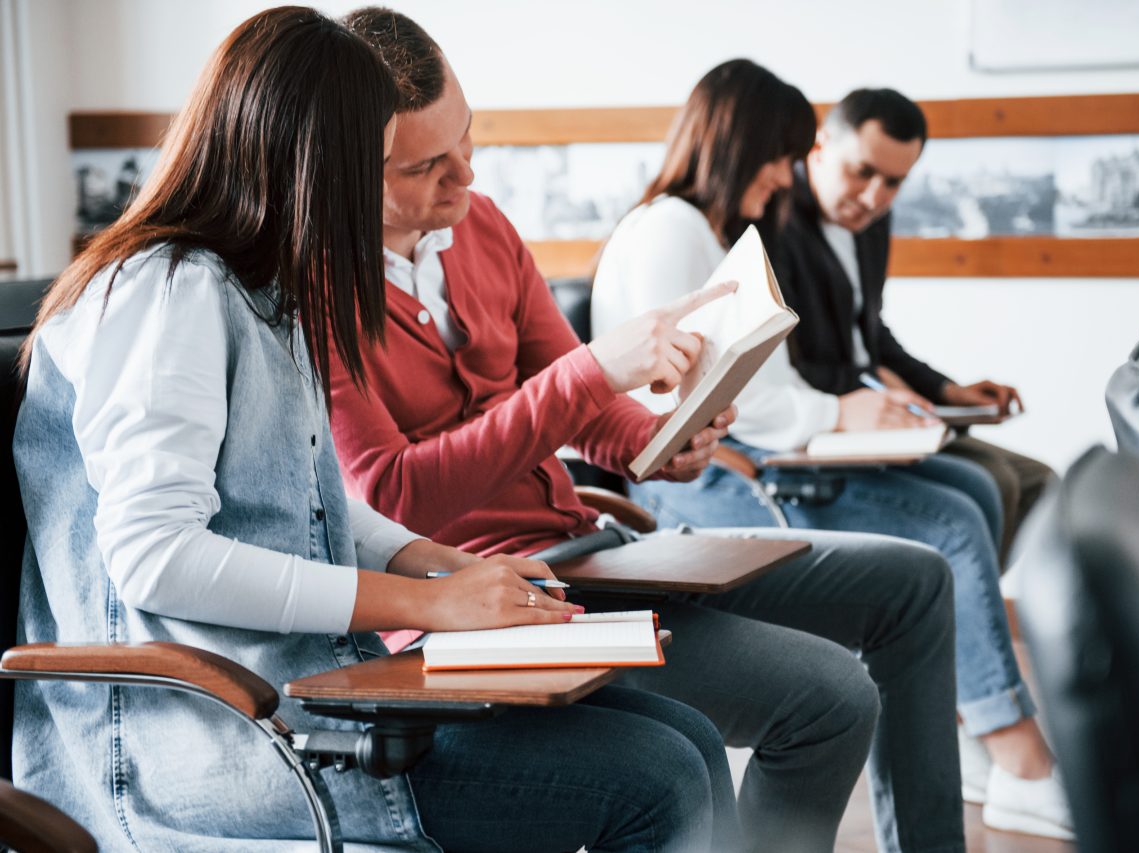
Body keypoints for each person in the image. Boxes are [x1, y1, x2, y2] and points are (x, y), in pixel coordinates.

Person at [11, 8, 739, 851]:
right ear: (308, 164)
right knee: (659, 778)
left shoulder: (259, 289)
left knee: (684, 738)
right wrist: (426, 602)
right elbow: (155, 554)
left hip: (302, 690)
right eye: (383, 169)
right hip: (206, 737)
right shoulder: (166, 292)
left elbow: (306, 491)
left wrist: (443, 563)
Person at [331, 9, 963, 852]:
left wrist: (659, 441)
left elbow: (583, 406)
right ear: (343, 169)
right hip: (483, 595)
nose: (467, 179)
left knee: (915, 579)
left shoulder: (482, 228)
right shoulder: (319, 284)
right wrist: (588, 376)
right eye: (426, 167)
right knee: (831, 696)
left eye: (468, 142)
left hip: (584, 543)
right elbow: (394, 491)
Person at [591, 61, 1073, 841]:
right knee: (949, 523)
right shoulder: (676, 232)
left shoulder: (709, 231)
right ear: (743, 146)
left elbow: (775, 375)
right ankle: (1007, 748)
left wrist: (875, 407)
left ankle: (974, 721)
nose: (789, 175)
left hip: (762, 449)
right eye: (784, 155)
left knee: (974, 501)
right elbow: (689, 406)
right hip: (723, 478)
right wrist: (837, 413)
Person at [771, 87, 1057, 569]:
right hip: (822, 420)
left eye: (893, 182)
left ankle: (954, 613)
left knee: (1041, 481)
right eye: (862, 172)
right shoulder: (772, 219)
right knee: (997, 483)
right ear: (819, 148)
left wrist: (947, 389)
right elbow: (790, 364)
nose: (874, 197)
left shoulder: (871, 222)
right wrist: (878, 387)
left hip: (878, 407)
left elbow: (871, 335)